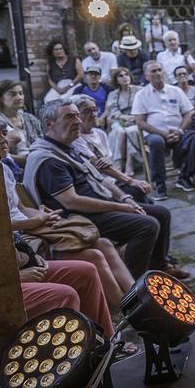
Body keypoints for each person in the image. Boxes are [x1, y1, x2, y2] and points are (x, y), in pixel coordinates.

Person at [24, 100, 179, 279]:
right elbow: (72, 201)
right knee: (147, 225)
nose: (78, 121)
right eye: (69, 116)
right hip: (76, 218)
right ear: (49, 123)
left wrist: (124, 198)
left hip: (98, 205)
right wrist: (120, 207)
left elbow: (100, 179)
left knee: (161, 212)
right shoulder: (49, 159)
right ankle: (135, 285)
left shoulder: (69, 147)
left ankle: (159, 265)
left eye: (77, 115)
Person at [0, 123, 135, 312]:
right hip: (23, 238)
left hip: (34, 226)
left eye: (4, 134)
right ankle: (126, 309)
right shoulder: (46, 159)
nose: (4, 140)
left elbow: (20, 207)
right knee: (95, 255)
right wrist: (34, 221)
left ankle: (136, 299)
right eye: (70, 118)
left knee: (103, 243)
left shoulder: (4, 169)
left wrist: (40, 215)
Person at [132, 61, 195, 196]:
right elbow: (140, 122)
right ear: (146, 76)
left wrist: (180, 130)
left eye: (159, 70)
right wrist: (162, 133)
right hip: (155, 133)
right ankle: (160, 184)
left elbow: (187, 114)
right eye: (153, 71)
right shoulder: (141, 95)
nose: (158, 74)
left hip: (179, 131)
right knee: (157, 142)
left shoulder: (176, 91)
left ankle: (185, 177)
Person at [16, 238, 115, 338]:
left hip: (18, 265)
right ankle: (74, 349)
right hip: (3, 286)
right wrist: (15, 276)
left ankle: (106, 341)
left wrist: (29, 253)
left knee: (86, 271)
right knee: (66, 294)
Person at [0, 79, 43, 165]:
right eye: (13, 94)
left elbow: (42, 141)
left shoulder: (30, 118)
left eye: (21, 93)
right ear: (1, 98)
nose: (19, 97)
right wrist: (27, 159)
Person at [105, 67, 141, 176]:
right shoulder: (113, 94)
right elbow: (113, 111)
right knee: (120, 131)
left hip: (137, 119)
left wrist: (134, 117)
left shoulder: (139, 90)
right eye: (121, 76)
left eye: (126, 74)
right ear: (116, 80)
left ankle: (129, 164)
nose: (125, 77)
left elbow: (143, 107)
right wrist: (124, 117)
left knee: (131, 131)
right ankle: (118, 164)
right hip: (120, 120)